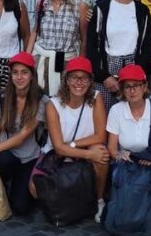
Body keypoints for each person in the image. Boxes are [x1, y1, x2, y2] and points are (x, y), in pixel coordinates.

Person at [32, 57, 109, 223]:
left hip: (81, 148)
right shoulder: (53, 105)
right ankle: (71, 199)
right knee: (34, 190)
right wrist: (87, 154)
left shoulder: (96, 98)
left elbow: (100, 136)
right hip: (56, 154)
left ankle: (99, 200)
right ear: (66, 80)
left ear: (90, 81)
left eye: (84, 78)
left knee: (101, 153)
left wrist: (73, 146)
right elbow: (58, 149)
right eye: (74, 77)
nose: (79, 82)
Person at [0, 52, 48, 216]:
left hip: (29, 158)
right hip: (6, 155)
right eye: (15, 72)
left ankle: (20, 184)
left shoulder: (41, 100)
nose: (19, 77)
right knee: (1, 161)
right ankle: (2, 182)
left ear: (32, 76)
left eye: (24, 72)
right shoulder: (2, 97)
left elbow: (21, 138)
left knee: (20, 207)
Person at [106, 64, 151, 214]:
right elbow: (112, 147)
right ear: (122, 90)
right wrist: (119, 155)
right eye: (127, 87)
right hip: (127, 165)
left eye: (137, 85)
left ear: (145, 87)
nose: (132, 91)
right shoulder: (116, 110)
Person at [85, 0, 151, 110]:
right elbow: (91, 46)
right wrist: (104, 77)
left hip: (133, 69)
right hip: (106, 71)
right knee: (104, 120)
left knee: (131, 117)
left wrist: (136, 74)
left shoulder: (143, 11)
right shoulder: (100, 8)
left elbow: (147, 46)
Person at [27, 0, 86, 96]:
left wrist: (80, 66)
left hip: (66, 64)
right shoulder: (42, 4)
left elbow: (84, 39)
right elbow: (35, 32)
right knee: (40, 103)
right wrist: (27, 57)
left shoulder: (79, 7)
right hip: (41, 61)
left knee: (64, 101)